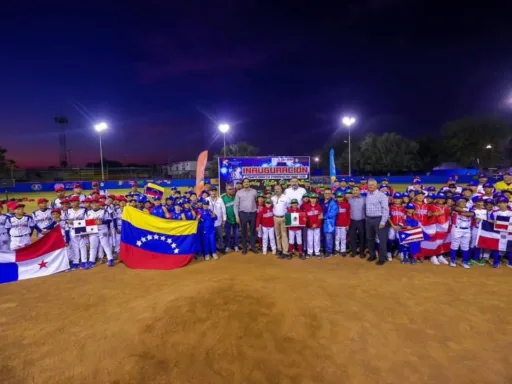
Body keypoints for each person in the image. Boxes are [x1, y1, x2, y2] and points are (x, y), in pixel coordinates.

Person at [365, 178, 389, 266]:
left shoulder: (381, 195)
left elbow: (386, 210)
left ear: (376, 186)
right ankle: (372, 255)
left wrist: (383, 222)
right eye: (369, 185)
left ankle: (382, 258)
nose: (370, 186)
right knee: (369, 238)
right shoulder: (368, 194)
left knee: (382, 240)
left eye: (372, 185)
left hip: (379, 219)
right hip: (369, 219)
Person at [85, 198, 114, 268]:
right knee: (93, 246)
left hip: (102, 230)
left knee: (105, 245)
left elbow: (109, 220)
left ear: (99, 204)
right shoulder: (87, 212)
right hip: (92, 231)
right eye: (93, 203)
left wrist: (102, 222)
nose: (94, 204)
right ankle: (91, 261)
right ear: (91, 205)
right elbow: (85, 222)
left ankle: (110, 259)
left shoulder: (104, 211)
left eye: (96, 203)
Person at [234, 178, 259, 254]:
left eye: (247, 182)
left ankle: (253, 247)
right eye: (245, 182)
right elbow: (236, 205)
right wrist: (237, 216)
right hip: (243, 214)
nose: (246, 183)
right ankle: (244, 247)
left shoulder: (254, 192)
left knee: (252, 231)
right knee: (244, 231)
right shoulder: (239, 193)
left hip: (252, 213)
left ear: (249, 183)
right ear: (243, 184)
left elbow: (257, 201)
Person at [449, 197, 474, 268]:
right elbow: (456, 208)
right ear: (457, 203)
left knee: (465, 246)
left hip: (467, 230)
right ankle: (452, 260)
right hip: (457, 229)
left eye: (464, 202)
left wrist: (463, 213)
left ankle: (464, 261)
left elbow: (472, 214)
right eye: (461, 202)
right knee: (454, 245)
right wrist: (466, 213)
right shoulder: (454, 208)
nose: (463, 203)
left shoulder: (470, 209)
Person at [489, 196, 512, 268]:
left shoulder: (511, 212)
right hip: (497, 233)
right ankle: (496, 262)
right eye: (500, 203)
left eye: (504, 203)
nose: (502, 204)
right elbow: (489, 220)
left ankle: (511, 262)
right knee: (496, 247)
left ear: (507, 203)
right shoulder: (494, 212)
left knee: (509, 248)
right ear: (498, 204)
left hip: (509, 233)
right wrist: (493, 221)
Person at [271, 184, 290, 257]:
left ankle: (285, 251)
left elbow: (289, 208)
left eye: (278, 188)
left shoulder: (286, 198)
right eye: (275, 189)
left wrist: (287, 217)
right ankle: (279, 249)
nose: (277, 190)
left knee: (284, 234)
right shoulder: (273, 198)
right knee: (277, 234)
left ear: (281, 189)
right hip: (275, 218)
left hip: (283, 218)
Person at [207, 187, 226, 253]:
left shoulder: (220, 199)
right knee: (212, 237)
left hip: (218, 221)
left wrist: (224, 218)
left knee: (220, 236)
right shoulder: (207, 200)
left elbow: (223, 209)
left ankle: (221, 247)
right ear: (210, 192)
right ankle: (212, 249)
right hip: (210, 222)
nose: (214, 192)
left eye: (215, 191)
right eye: (212, 191)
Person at [348, 186, 366, 258]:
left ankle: (362, 252)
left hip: (361, 220)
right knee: (352, 237)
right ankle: (354, 251)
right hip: (352, 221)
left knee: (362, 237)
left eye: (356, 190)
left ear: (359, 191)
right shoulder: (350, 200)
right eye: (354, 190)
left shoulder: (364, 199)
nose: (355, 191)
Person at [304, 193, 322, 258]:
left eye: (314, 198)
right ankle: (310, 252)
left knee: (317, 239)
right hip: (309, 226)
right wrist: (310, 224)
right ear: (310, 199)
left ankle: (317, 252)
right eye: (312, 198)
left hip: (317, 226)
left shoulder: (319, 206)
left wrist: (316, 224)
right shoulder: (307, 207)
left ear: (316, 199)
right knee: (310, 239)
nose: (313, 200)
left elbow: (320, 217)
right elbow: (306, 217)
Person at [221, 184, 239, 252]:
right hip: (227, 219)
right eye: (229, 189)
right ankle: (228, 246)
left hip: (236, 218)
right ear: (226, 190)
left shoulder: (236, 196)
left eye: (232, 189)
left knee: (236, 234)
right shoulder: (222, 198)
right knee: (227, 233)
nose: (232, 190)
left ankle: (236, 245)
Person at [388, 192, 405, 261]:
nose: (396, 200)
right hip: (392, 226)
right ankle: (389, 252)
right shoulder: (390, 207)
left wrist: (400, 226)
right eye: (395, 199)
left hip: (400, 227)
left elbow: (404, 218)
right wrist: (393, 226)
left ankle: (400, 252)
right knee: (390, 238)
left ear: (401, 200)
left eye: (398, 199)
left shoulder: (404, 208)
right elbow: (388, 218)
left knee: (400, 239)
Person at [322, 188, 338, 258]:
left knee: (329, 237)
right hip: (320, 222)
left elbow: (333, 213)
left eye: (329, 193)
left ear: (331, 194)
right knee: (322, 237)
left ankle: (329, 252)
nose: (327, 194)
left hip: (329, 223)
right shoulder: (321, 201)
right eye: (326, 193)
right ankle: (324, 250)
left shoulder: (333, 203)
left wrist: (323, 217)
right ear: (324, 194)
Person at [334, 192, 350, 256]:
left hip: (344, 224)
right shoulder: (334, 204)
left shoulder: (346, 204)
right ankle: (337, 249)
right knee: (337, 237)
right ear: (336, 198)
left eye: (340, 197)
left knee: (343, 238)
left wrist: (347, 224)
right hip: (336, 224)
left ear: (343, 197)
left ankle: (343, 250)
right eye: (338, 197)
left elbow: (348, 215)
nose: (339, 198)